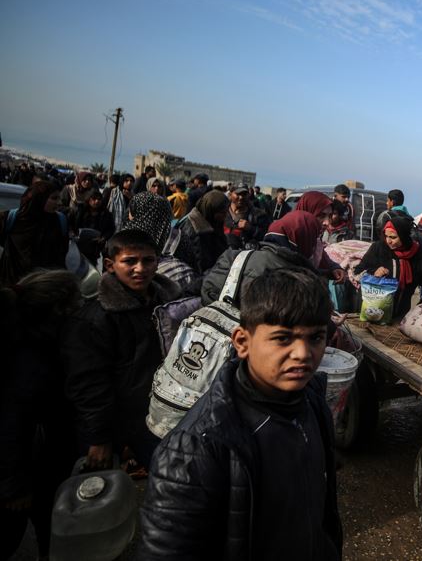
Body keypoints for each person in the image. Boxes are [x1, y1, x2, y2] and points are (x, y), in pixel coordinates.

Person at [139, 268, 343, 560]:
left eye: (315, 338)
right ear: (242, 342)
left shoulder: (310, 400)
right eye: (283, 339)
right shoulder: (196, 448)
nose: (302, 353)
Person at [62, 229, 180, 471]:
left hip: (152, 418)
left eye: (148, 260)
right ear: (110, 265)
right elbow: (89, 384)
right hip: (113, 424)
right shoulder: (96, 318)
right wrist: (99, 437)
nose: (140, 268)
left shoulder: (168, 304)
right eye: (130, 261)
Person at [0, 271, 81, 560]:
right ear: (59, 310)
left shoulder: (36, 343)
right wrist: (14, 487)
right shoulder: (30, 361)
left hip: (39, 466)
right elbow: (13, 425)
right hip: (28, 472)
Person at [201, 210, 344, 304]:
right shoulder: (298, 280)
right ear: (303, 238)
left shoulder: (236, 256)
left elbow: (207, 288)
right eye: (313, 239)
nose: (315, 246)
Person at [355, 216, 422, 321]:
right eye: (386, 236)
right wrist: (374, 272)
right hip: (372, 312)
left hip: (400, 314)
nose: (388, 241)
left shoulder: (417, 253)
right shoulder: (378, 248)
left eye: (393, 237)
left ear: (404, 236)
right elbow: (357, 272)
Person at [0, 180, 68, 286]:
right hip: (11, 286)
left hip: (43, 289)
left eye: (58, 198)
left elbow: (61, 256)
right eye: (54, 198)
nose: (59, 203)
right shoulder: (12, 218)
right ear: (39, 198)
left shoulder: (60, 222)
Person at [173, 190, 230, 274]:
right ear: (211, 210)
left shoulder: (211, 220)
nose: (226, 215)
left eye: (226, 211)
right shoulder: (195, 230)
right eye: (222, 212)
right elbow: (199, 265)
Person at [70, 189, 116, 264]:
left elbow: (111, 228)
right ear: (88, 199)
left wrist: (103, 238)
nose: (97, 201)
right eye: (94, 199)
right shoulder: (79, 211)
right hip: (78, 245)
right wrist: (72, 233)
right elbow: (71, 223)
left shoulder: (106, 214)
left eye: (99, 199)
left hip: (94, 247)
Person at [225, 184, 268, 249]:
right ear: (230, 194)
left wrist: (251, 228)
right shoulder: (221, 211)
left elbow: (266, 236)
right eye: (238, 194)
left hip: (242, 255)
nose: (241, 197)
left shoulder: (258, 215)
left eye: (244, 194)